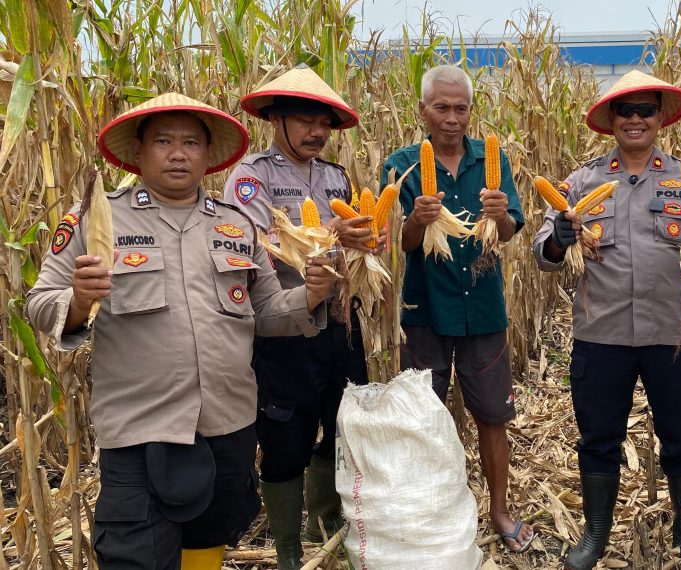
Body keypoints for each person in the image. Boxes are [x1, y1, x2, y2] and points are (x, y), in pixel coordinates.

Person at [27, 93, 335, 570]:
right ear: (139, 151)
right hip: (141, 428)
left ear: (208, 156)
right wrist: (80, 300)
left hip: (227, 422)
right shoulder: (97, 218)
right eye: (164, 142)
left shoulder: (235, 226)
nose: (178, 153)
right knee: (136, 554)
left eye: (191, 142)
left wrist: (311, 296)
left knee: (210, 537)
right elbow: (39, 301)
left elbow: (268, 311)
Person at [532, 70, 681, 570]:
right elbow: (544, 256)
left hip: (674, 335)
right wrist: (561, 236)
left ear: (659, 118)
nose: (634, 119)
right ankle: (596, 535)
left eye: (644, 110)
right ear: (609, 121)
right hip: (600, 335)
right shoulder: (581, 182)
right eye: (624, 111)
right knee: (598, 438)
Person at [222, 66, 379, 569]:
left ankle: (326, 518)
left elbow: (357, 247)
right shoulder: (250, 178)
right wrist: (335, 232)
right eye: (306, 122)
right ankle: (289, 548)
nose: (317, 133)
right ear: (277, 120)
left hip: (341, 323)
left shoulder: (335, 177)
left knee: (343, 425)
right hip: (285, 327)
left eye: (324, 125)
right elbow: (258, 247)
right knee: (286, 439)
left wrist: (362, 247)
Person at [381, 64, 533, 553]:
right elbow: (392, 244)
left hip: (483, 311)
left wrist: (498, 217)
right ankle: (428, 511)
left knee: (492, 416)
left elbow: (511, 229)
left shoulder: (492, 159)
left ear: (471, 110)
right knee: (423, 418)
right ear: (422, 109)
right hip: (425, 310)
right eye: (441, 107)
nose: (451, 117)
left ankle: (499, 508)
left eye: (460, 108)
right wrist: (417, 222)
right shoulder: (401, 164)